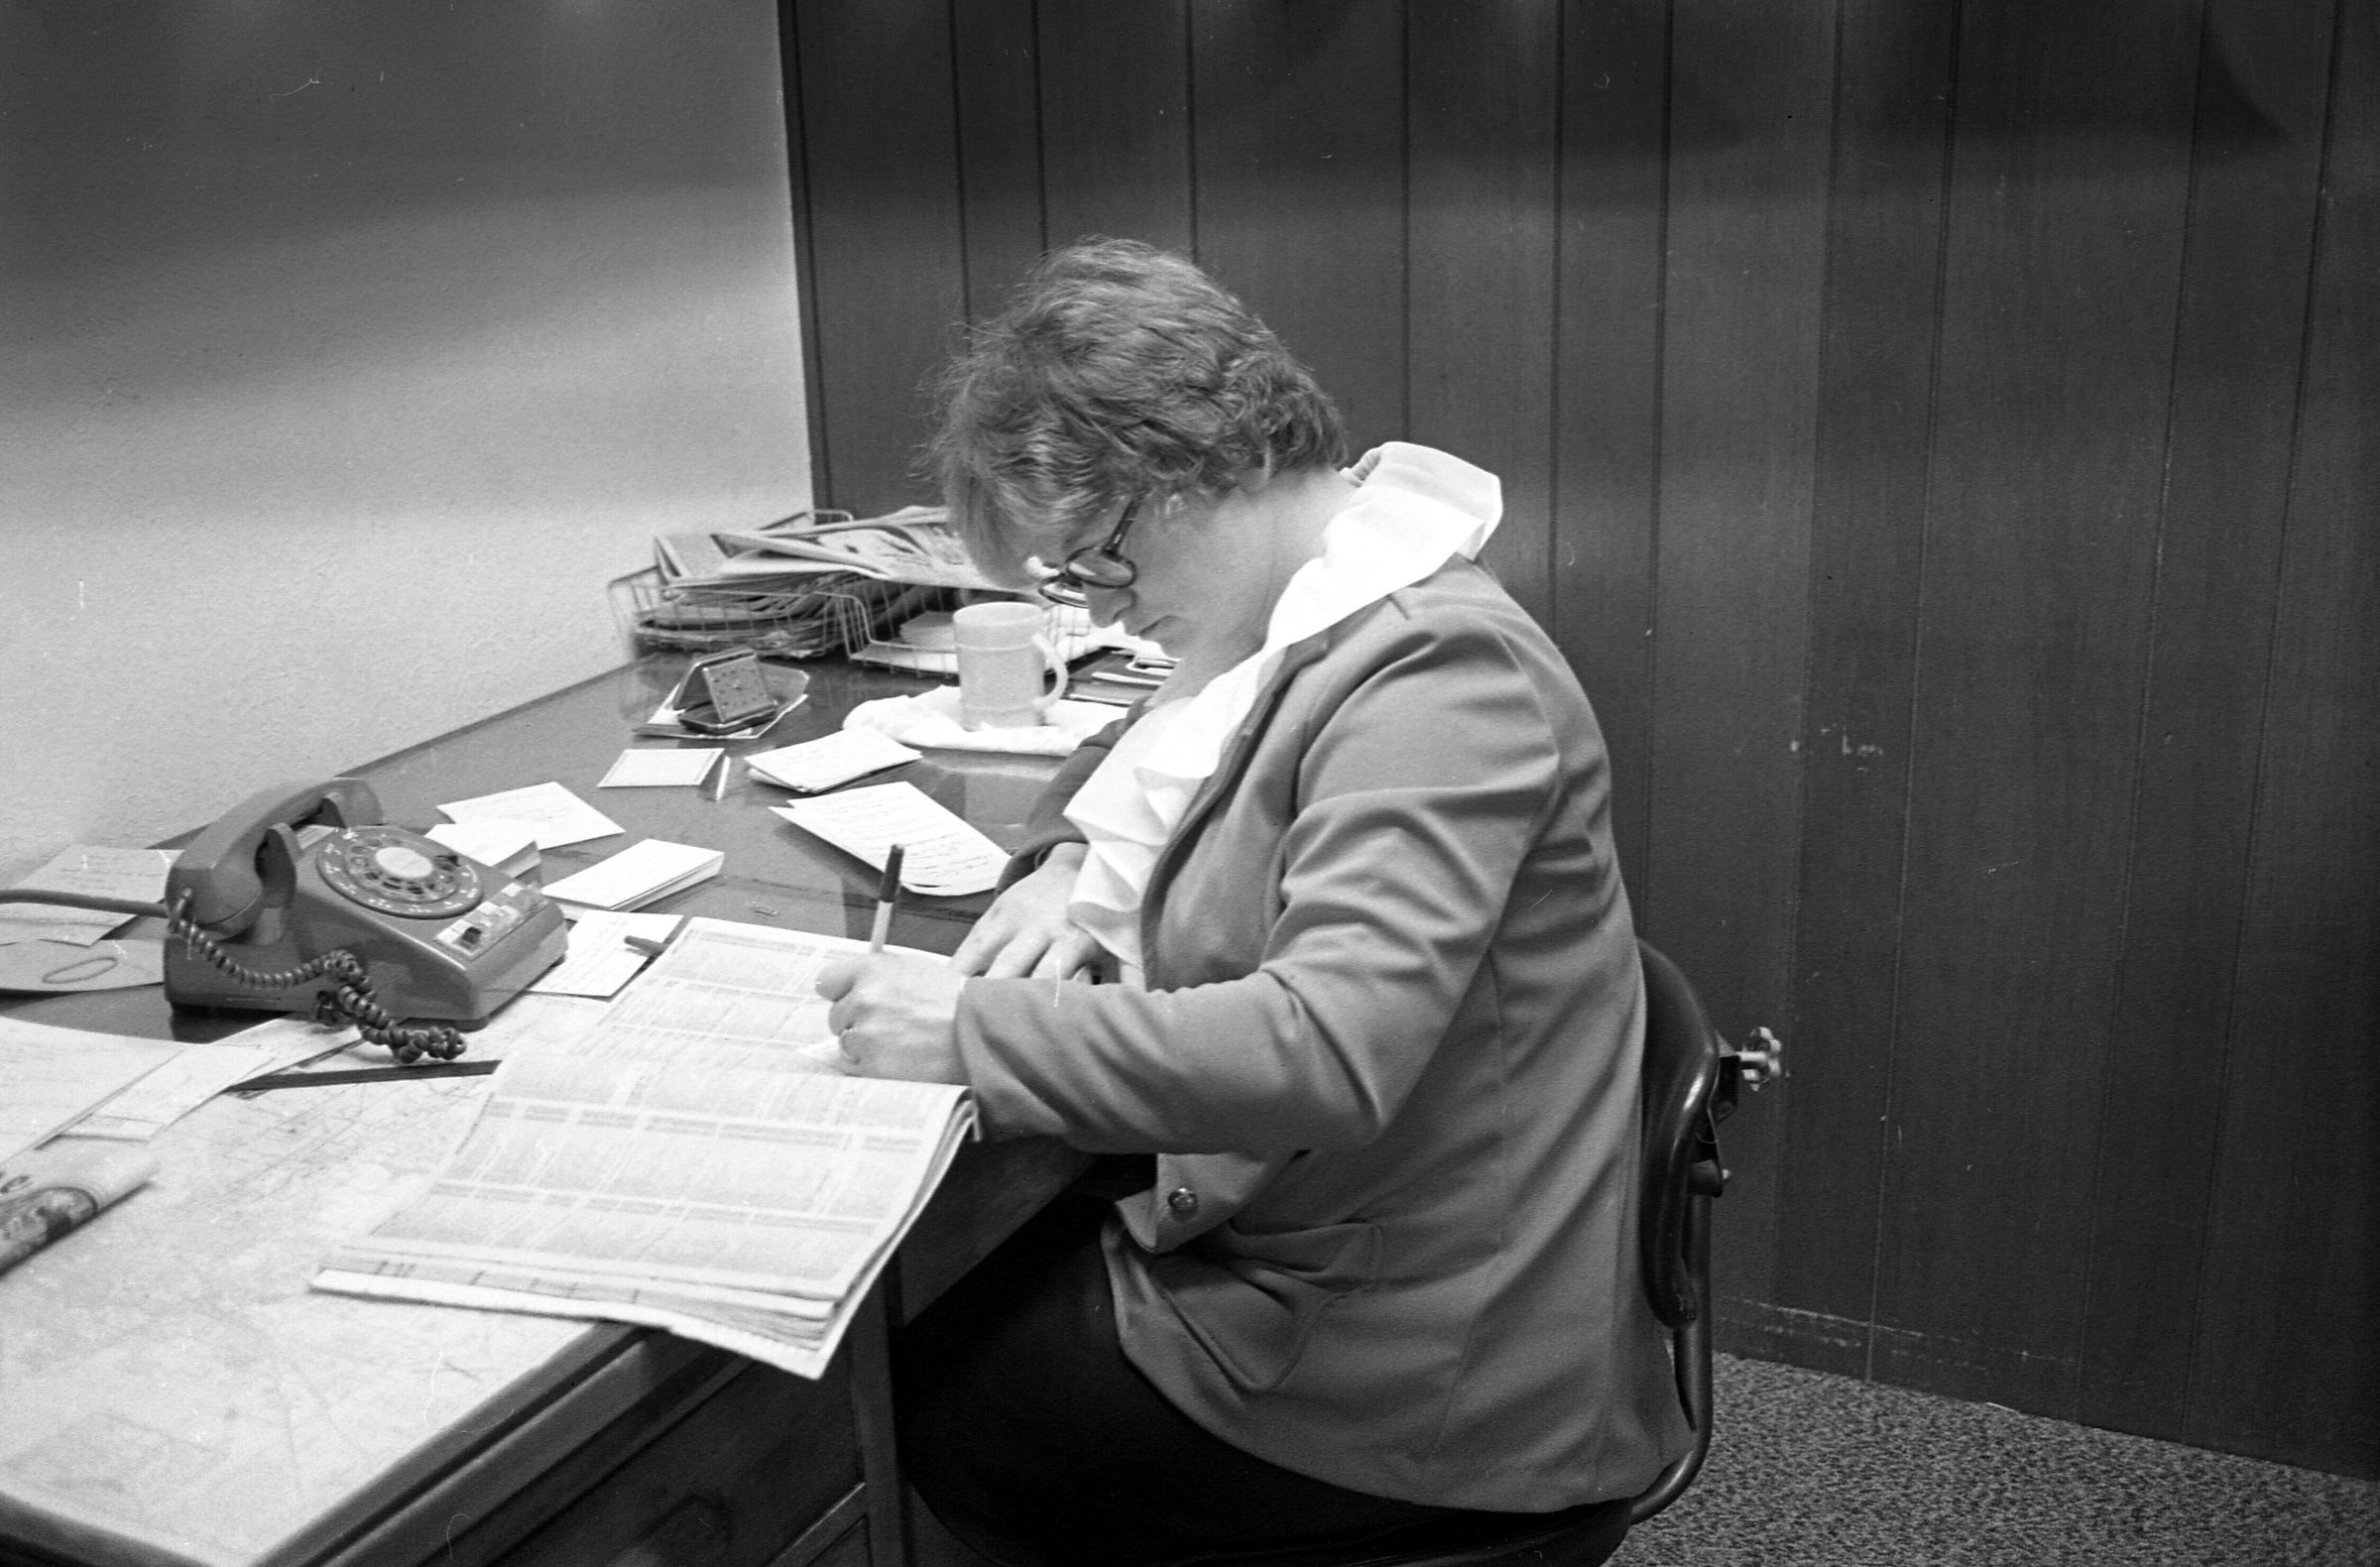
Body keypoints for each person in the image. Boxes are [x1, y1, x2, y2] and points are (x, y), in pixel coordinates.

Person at [816, 239, 1691, 1567]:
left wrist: (967, 1035)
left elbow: (1326, 1053)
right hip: (1349, 1239)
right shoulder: (1309, 607)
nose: (1101, 613)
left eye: (1095, 567)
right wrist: (1067, 859)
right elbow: (1157, 745)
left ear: (1184, 481)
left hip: (1431, 1362)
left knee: (904, 1393)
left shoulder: (1439, 676)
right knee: (953, 1306)